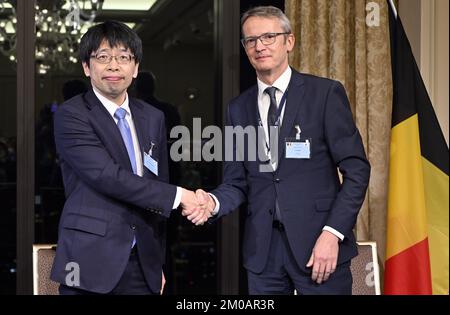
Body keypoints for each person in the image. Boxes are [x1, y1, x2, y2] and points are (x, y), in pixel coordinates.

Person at [186, 6, 371, 295]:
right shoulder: (238, 108)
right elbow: (237, 182)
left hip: (319, 246)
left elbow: (358, 170)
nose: (259, 46)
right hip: (263, 255)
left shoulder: (324, 94)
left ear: (289, 41)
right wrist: (212, 202)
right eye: (250, 40)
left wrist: (332, 233)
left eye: (269, 36)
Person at [50, 21, 202, 295]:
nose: (113, 66)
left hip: (142, 263)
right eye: (103, 57)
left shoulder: (153, 117)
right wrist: (181, 197)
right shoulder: (72, 115)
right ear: (87, 67)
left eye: (123, 57)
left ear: (135, 68)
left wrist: (157, 263)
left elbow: (157, 185)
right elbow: (107, 176)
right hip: (89, 259)